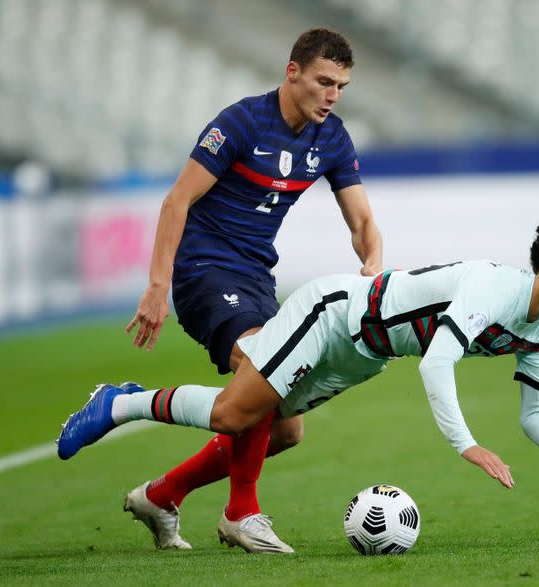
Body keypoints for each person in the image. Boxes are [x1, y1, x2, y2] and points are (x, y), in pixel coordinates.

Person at [58, 207, 539, 554]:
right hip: (332, 313)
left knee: (282, 434)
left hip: (364, 354)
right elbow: (436, 362)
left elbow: (535, 415)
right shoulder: (493, 289)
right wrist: (467, 444)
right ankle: (121, 404)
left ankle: (162, 496)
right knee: (235, 413)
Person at [110, 28, 382, 550]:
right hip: (203, 269)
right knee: (261, 362)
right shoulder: (241, 123)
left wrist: (373, 263)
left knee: (285, 430)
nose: (333, 94)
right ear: (293, 72)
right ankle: (241, 513)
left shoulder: (331, 138)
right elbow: (176, 203)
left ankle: (163, 493)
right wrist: (156, 287)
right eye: (324, 81)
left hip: (256, 276)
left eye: (342, 86)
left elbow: (362, 219)